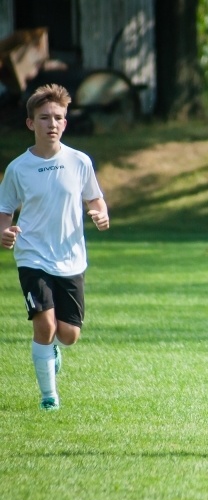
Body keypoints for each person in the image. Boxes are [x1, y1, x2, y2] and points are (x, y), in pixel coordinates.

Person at [0, 83, 110, 411]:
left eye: (58, 118)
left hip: (71, 258)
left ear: (65, 123)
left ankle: (52, 352)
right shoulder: (19, 168)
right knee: (44, 326)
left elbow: (96, 198)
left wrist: (100, 214)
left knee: (68, 334)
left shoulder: (79, 162)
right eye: (44, 117)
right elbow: (5, 209)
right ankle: (49, 396)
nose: (52, 123)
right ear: (31, 123)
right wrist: (5, 232)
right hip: (32, 255)